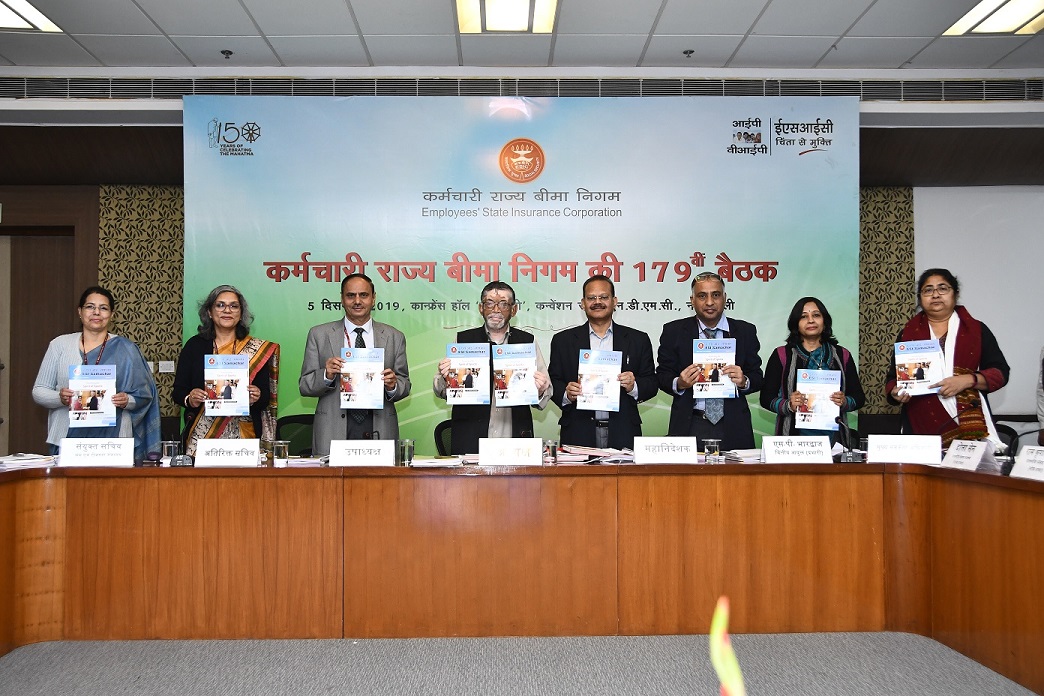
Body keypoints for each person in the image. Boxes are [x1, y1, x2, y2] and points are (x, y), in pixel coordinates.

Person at [32, 285, 161, 460]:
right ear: (80, 311)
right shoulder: (59, 345)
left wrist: (127, 400)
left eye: (103, 308)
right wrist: (60, 398)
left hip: (115, 439)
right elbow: (39, 391)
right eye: (90, 307)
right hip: (67, 438)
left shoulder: (127, 349)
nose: (96, 312)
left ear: (112, 314)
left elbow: (145, 395)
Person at [886, 268, 1009, 447]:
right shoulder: (908, 334)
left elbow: (1000, 373)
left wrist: (967, 380)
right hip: (919, 422)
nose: (935, 295)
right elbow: (892, 379)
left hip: (968, 421)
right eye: (928, 290)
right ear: (920, 297)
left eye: (942, 288)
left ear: (955, 294)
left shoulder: (977, 330)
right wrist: (895, 392)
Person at [434, 281, 551, 454]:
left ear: (514, 310)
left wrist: (540, 390)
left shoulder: (527, 342)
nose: (496, 310)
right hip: (470, 439)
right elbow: (441, 391)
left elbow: (546, 393)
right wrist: (445, 378)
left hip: (515, 440)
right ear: (481, 308)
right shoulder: (463, 341)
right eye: (489, 303)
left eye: (503, 304)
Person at [299, 273, 411, 455]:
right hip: (334, 427)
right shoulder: (319, 335)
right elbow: (305, 385)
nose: (357, 301)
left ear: (373, 299)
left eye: (363, 295)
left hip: (379, 425)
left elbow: (404, 384)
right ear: (342, 299)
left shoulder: (394, 337)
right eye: (351, 295)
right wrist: (326, 375)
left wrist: (393, 385)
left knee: (379, 475)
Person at [656, 271, 763, 451]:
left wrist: (744, 381)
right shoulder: (673, 331)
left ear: (725, 298)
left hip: (734, 424)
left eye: (716, 295)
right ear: (692, 300)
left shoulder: (745, 331)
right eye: (702, 296)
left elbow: (757, 377)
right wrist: (680, 383)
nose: (710, 302)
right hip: (691, 423)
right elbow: (662, 375)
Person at [549, 274, 657, 449]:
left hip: (623, 431)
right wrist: (567, 394)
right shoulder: (563, 341)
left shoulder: (638, 339)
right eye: (591, 298)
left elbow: (652, 382)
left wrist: (633, 386)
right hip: (578, 431)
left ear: (614, 301)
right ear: (583, 303)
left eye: (604, 297)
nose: (597, 302)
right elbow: (553, 381)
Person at [173, 285, 279, 456]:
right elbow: (178, 391)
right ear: (209, 312)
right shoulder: (194, 346)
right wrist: (190, 398)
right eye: (220, 305)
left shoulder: (257, 348)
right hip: (203, 435)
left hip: (244, 434)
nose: (227, 310)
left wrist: (257, 396)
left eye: (234, 306)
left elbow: (265, 397)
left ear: (241, 313)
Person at [760, 297, 865, 445]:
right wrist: (789, 405)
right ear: (795, 323)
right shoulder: (782, 355)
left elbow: (859, 397)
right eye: (804, 316)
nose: (810, 320)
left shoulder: (842, 355)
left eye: (816, 315)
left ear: (825, 321)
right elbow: (766, 398)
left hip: (835, 442)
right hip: (791, 441)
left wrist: (844, 401)